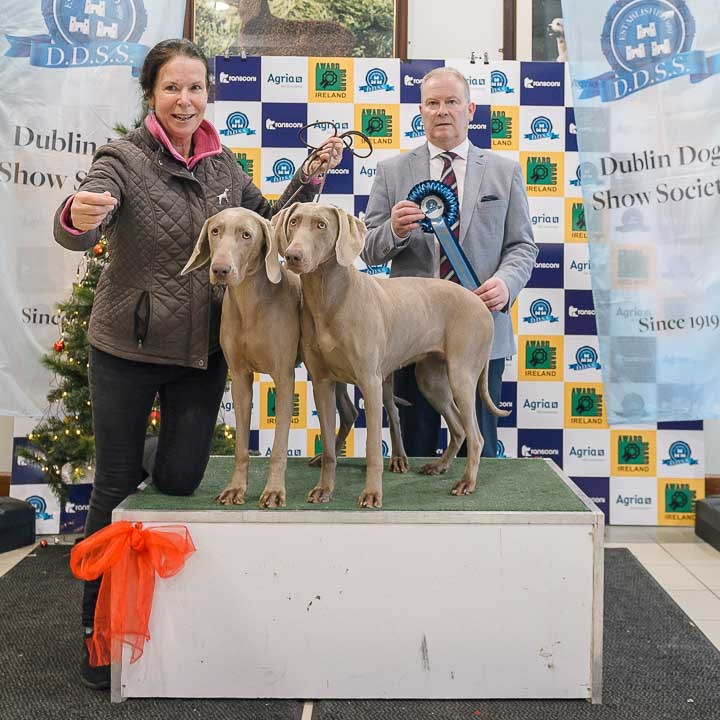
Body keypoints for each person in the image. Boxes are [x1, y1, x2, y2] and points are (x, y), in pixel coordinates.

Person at [53, 38, 344, 690]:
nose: (184, 100)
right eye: (171, 88)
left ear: (207, 94)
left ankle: (150, 451)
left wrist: (309, 178)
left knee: (181, 478)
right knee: (114, 484)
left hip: (201, 352)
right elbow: (85, 213)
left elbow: (268, 222)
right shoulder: (121, 158)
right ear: (151, 95)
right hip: (126, 349)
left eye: (195, 88)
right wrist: (76, 215)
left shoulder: (222, 165)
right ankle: (96, 633)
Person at [362, 66, 537, 459]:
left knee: (479, 450)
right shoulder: (391, 172)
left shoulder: (504, 171)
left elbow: (523, 246)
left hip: (480, 327)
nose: (442, 111)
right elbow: (369, 249)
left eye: (452, 102)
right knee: (413, 452)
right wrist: (394, 230)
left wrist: (506, 284)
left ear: (470, 110)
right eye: (433, 103)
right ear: (421, 112)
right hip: (408, 335)